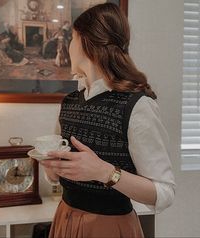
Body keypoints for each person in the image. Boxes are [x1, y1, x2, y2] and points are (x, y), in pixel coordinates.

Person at [40, 3, 176, 238]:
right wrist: (52, 169)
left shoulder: (137, 106)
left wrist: (105, 172)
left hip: (110, 228)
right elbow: (56, 177)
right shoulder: (69, 102)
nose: (69, 46)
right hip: (64, 219)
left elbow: (163, 193)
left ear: (84, 42)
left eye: (71, 38)